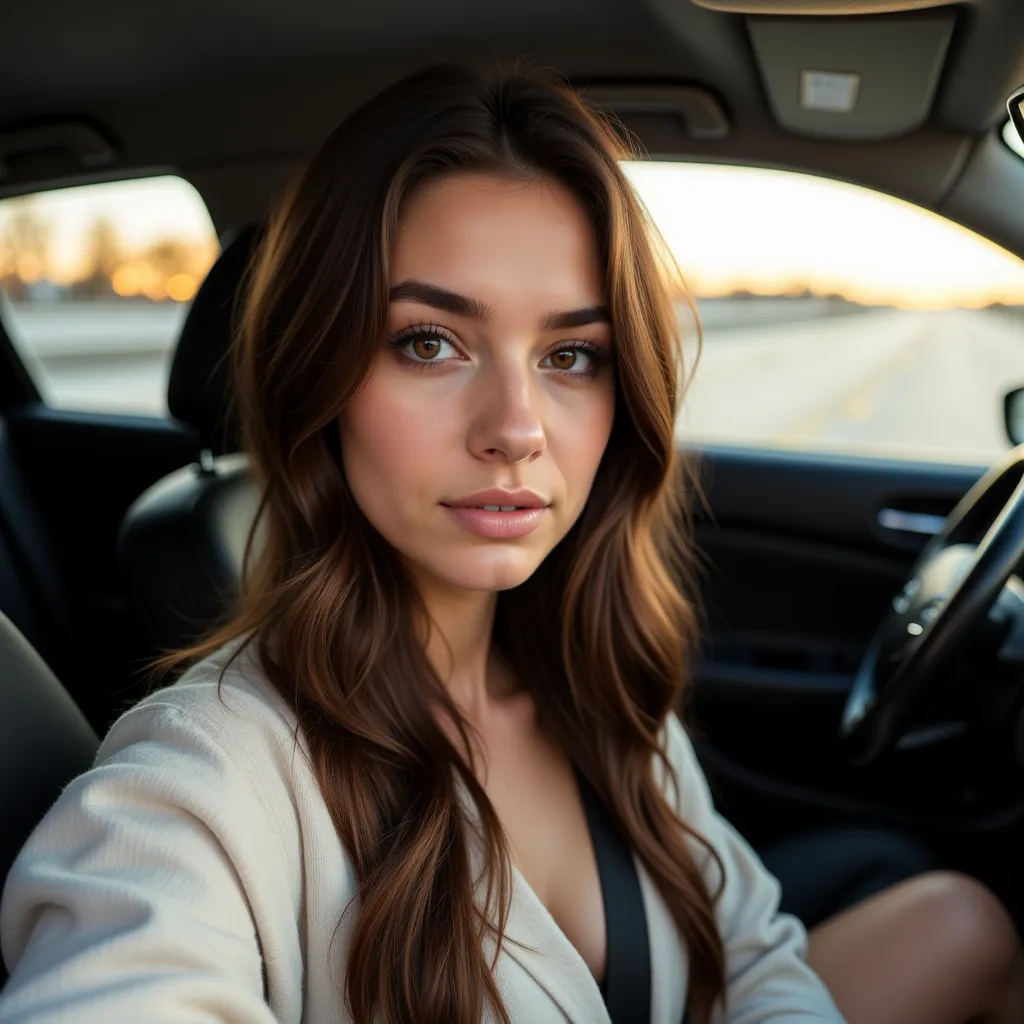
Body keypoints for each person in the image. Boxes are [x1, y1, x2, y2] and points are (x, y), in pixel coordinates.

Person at [0, 65, 1022, 1024]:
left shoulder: (604, 692)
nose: (517, 425)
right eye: (429, 342)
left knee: (964, 920)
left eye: (571, 354)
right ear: (320, 375)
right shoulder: (196, 783)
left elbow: (750, 957)